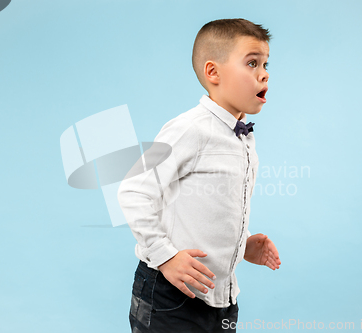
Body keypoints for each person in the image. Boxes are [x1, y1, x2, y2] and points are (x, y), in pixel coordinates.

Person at [117, 18, 281, 333]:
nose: (264, 73)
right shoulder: (190, 128)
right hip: (170, 297)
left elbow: (206, 209)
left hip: (222, 300)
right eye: (251, 63)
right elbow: (134, 190)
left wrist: (242, 246)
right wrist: (165, 256)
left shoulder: (244, 138)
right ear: (213, 72)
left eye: (265, 64)